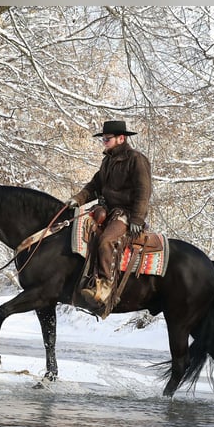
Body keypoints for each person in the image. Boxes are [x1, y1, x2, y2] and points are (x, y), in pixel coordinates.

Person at [66, 120, 152, 306]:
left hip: (126, 213)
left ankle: (104, 287)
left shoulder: (136, 159)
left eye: (107, 139)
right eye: (103, 139)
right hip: (107, 210)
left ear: (121, 138)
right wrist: (77, 200)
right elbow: (94, 186)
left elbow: (143, 191)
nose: (104, 142)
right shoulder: (108, 161)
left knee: (106, 240)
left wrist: (137, 218)